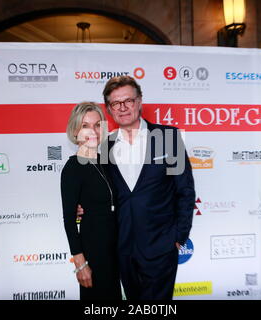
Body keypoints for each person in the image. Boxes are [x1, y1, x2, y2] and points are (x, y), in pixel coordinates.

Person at [79, 76, 196, 300]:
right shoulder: (104, 146)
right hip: (120, 246)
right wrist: (80, 205)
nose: (123, 108)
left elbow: (185, 191)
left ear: (139, 101)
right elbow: (94, 189)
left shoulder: (167, 137)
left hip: (161, 245)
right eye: (116, 103)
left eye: (128, 101)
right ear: (109, 109)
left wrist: (179, 236)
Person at [60, 102, 122, 300]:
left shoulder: (107, 162)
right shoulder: (73, 168)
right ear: (75, 130)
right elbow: (69, 221)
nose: (93, 131)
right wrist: (81, 264)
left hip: (117, 251)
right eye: (85, 125)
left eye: (97, 125)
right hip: (94, 254)